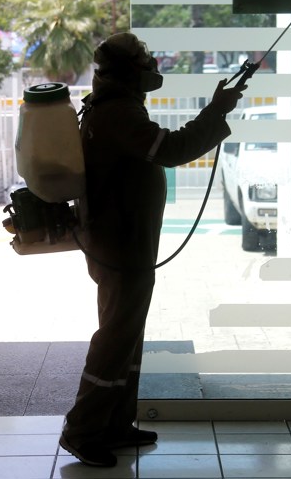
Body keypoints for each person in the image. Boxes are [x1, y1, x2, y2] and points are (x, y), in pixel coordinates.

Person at [59, 32, 248, 468]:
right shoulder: (117, 112)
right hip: (119, 244)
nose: (151, 67)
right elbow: (172, 149)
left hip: (123, 239)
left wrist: (215, 110)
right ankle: (82, 429)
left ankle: (115, 424)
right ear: (130, 72)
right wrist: (216, 111)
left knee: (127, 334)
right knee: (115, 337)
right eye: (145, 61)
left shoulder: (112, 106)